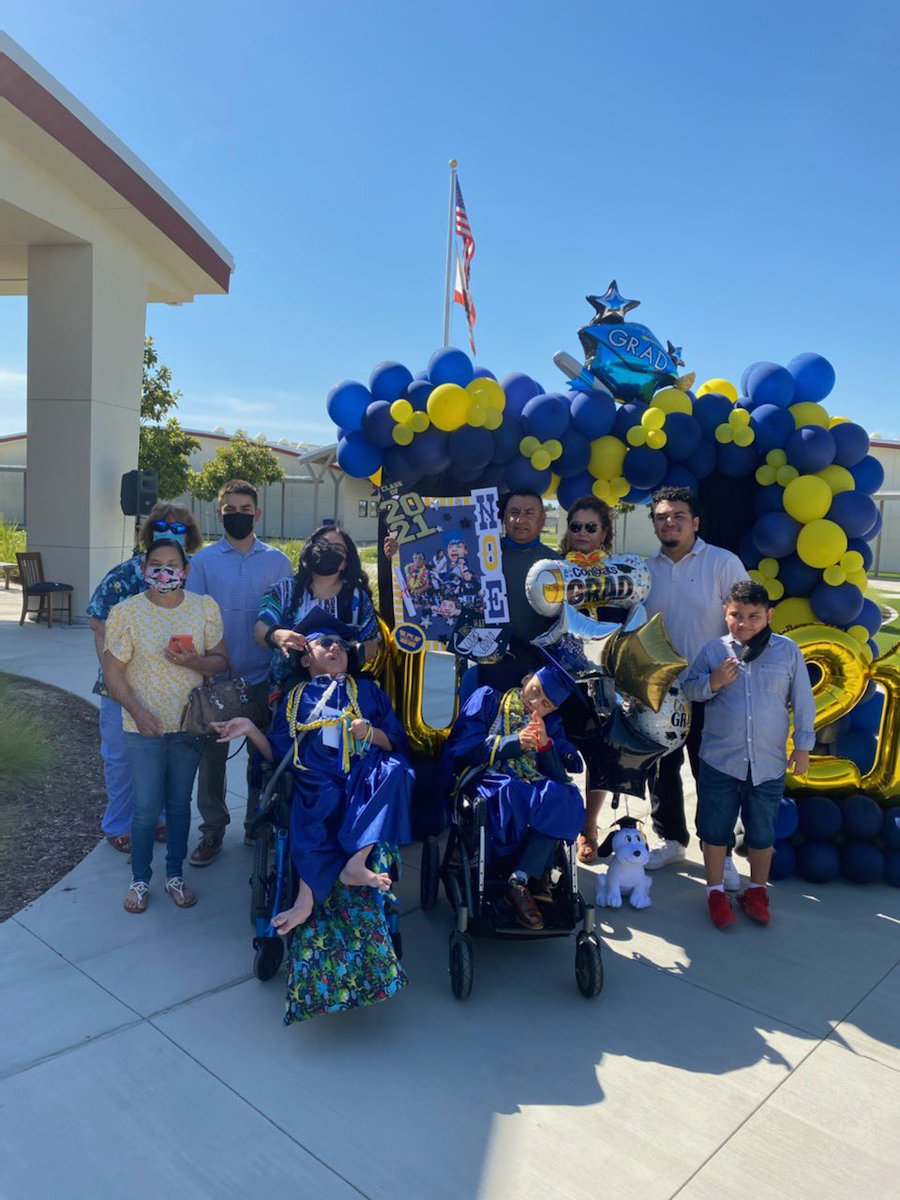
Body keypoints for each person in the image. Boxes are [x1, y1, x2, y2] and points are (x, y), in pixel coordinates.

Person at [214, 612, 412, 1021]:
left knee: (397, 772)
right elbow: (277, 755)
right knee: (314, 798)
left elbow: (397, 742)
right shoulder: (294, 698)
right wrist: (252, 728)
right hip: (315, 779)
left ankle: (355, 865)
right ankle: (307, 897)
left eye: (341, 644)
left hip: (364, 777)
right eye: (325, 644)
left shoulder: (369, 692)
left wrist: (369, 733)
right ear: (306, 658)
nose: (336, 648)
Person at [103, 535, 228, 914]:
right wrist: (138, 712)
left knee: (177, 805)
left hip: (189, 727)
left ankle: (174, 875)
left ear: (186, 571)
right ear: (143, 570)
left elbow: (221, 661)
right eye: (155, 564)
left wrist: (192, 661)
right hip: (142, 728)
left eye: (172, 565)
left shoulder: (204, 608)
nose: (164, 572)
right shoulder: (125, 612)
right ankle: (140, 880)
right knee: (144, 809)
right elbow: (113, 672)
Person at [682, 581, 815, 928]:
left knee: (762, 831)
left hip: (768, 763)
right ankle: (714, 892)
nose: (744, 623)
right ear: (725, 615)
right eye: (736, 615)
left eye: (754, 616)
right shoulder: (714, 650)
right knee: (714, 828)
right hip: (719, 760)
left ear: (769, 615)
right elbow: (688, 689)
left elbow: (803, 701)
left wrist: (803, 746)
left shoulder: (787, 652)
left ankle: (756, 890)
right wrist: (712, 682)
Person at [643, 487, 748, 887]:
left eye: (678, 516)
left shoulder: (723, 563)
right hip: (661, 692)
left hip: (713, 688)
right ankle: (671, 839)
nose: (669, 522)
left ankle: (718, 848)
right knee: (663, 770)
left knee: (713, 775)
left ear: (696, 522)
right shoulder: (644, 569)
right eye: (661, 516)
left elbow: (744, 625)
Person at [183, 479, 291, 867]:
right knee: (211, 762)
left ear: (257, 513)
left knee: (262, 757)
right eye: (230, 510)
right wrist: (201, 669)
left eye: (246, 510)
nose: (238, 516)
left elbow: (285, 614)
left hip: (264, 679)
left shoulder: (278, 561)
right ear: (219, 512)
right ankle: (212, 831)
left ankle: (255, 823)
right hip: (217, 681)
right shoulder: (204, 562)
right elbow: (192, 617)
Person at [87, 504, 204, 853]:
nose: (171, 531)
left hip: (173, 689)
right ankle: (119, 824)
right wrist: (116, 677)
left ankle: (162, 819)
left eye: (181, 527)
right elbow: (98, 624)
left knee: (167, 758)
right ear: (149, 531)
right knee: (122, 760)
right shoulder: (124, 576)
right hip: (123, 690)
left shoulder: (191, 575)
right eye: (163, 525)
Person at [443, 663, 585, 930]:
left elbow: (556, 775)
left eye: (546, 704)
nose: (536, 704)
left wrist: (547, 748)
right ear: (526, 677)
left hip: (528, 783)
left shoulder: (550, 723)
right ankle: (531, 870)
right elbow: (463, 749)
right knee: (511, 789)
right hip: (487, 778)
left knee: (567, 798)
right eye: (536, 691)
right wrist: (513, 743)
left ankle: (518, 880)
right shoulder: (488, 699)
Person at [254, 525, 379, 702]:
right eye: (323, 543)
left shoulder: (357, 597)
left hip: (343, 695)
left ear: (345, 562)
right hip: (287, 693)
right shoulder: (284, 589)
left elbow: (372, 644)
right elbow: (259, 631)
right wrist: (276, 635)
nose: (328, 549)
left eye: (337, 548)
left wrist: (341, 654)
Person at [558, 495, 616, 864]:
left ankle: (588, 828)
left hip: (600, 677)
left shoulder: (620, 574)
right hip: (557, 675)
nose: (581, 533)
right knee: (551, 753)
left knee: (599, 755)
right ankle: (554, 825)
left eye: (590, 527)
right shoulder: (551, 569)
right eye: (575, 526)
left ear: (604, 533)